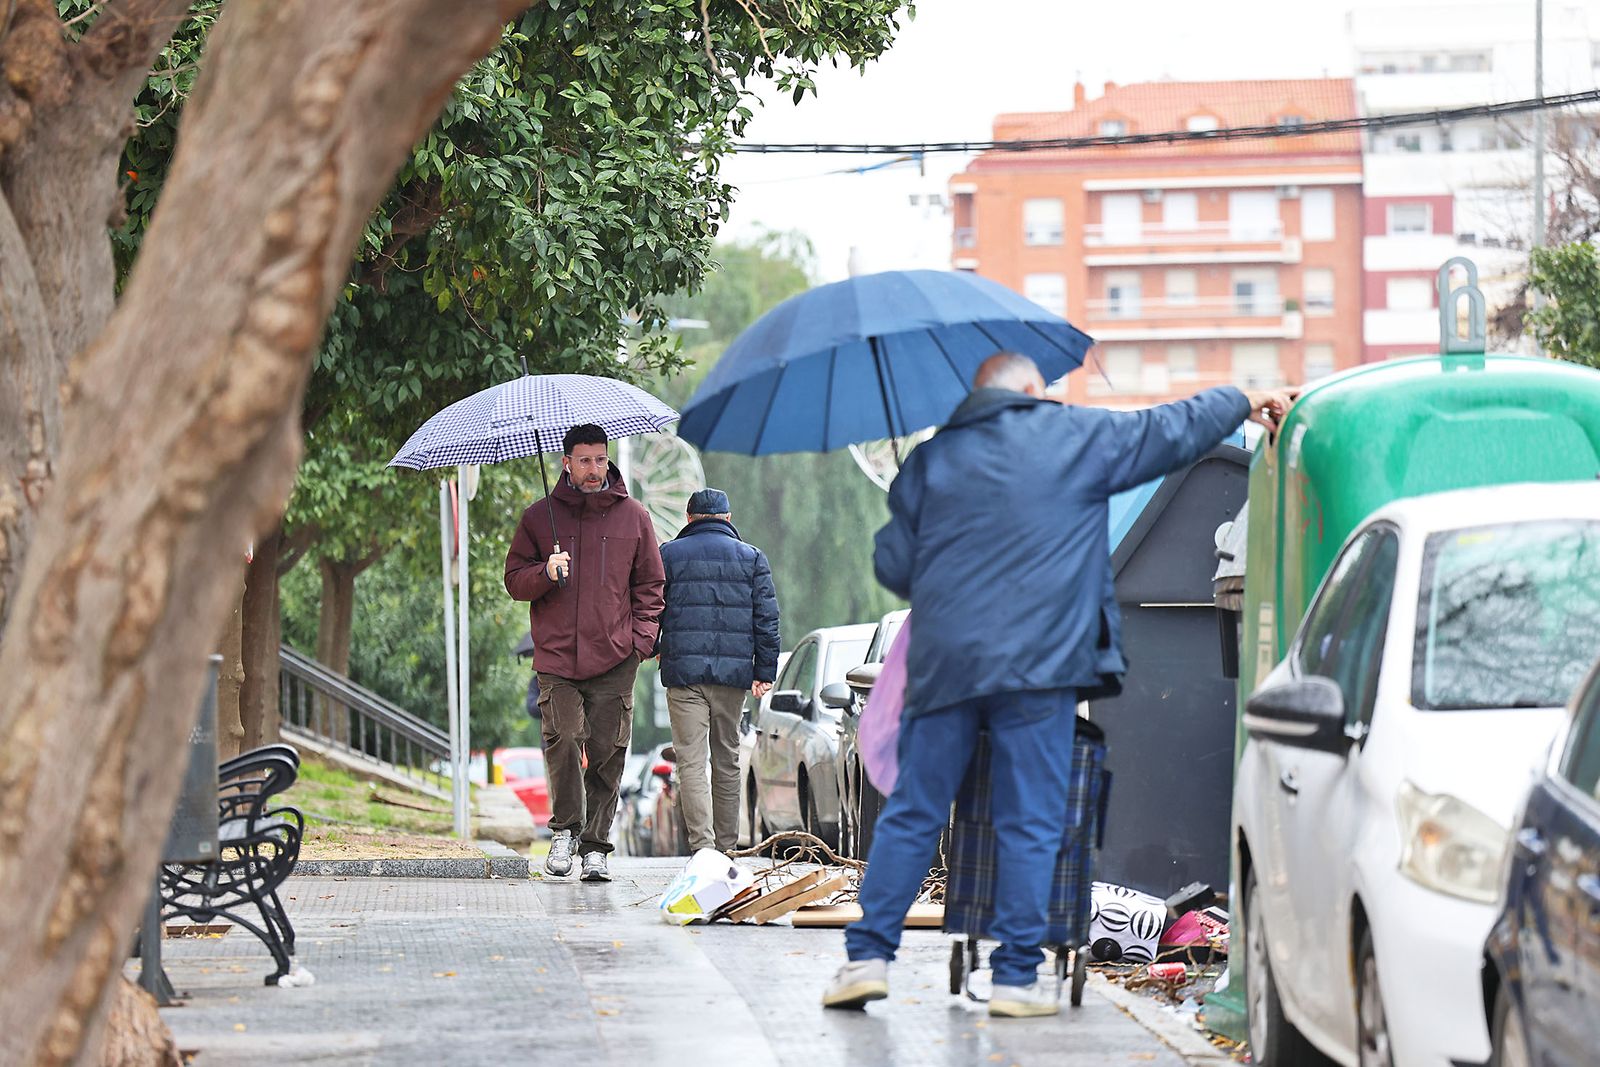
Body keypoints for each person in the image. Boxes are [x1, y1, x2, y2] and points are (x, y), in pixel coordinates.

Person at [822, 353, 1292, 1017]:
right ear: (1032, 390)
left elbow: (893, 562)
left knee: (914, 811)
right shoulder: (1076, 437)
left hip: (946, 662)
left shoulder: (933, 459)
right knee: (1031, 815)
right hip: (1041, 666)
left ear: (978, 394)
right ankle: (1015, 976)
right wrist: (1243, 399)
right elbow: (1171, 428)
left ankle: (865, 958)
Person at [505, 424, 665, 882]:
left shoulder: (634, 516)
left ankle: (595, 847)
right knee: (565, 740)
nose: (595, 469)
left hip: (616, 656)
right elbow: (514, 580)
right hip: (556, 657)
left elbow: (651, 585)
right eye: (585, 461)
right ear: (566, 463)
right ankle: (565, 831)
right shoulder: (539, 518)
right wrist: (544, 571)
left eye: (601, 459)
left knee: (607, 751)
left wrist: (641, 641)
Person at [656, 488, 780, 855]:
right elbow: (767, 618)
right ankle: (726, 849)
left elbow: (651, 606)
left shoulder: (668, 555)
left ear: (689, 518)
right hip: (733, 676)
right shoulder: (752, 558)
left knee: (690, 762)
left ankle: (702, 848)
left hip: (683, 674)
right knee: (727, 759)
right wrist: (765, 670)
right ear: (728, 518)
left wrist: (652, 648)